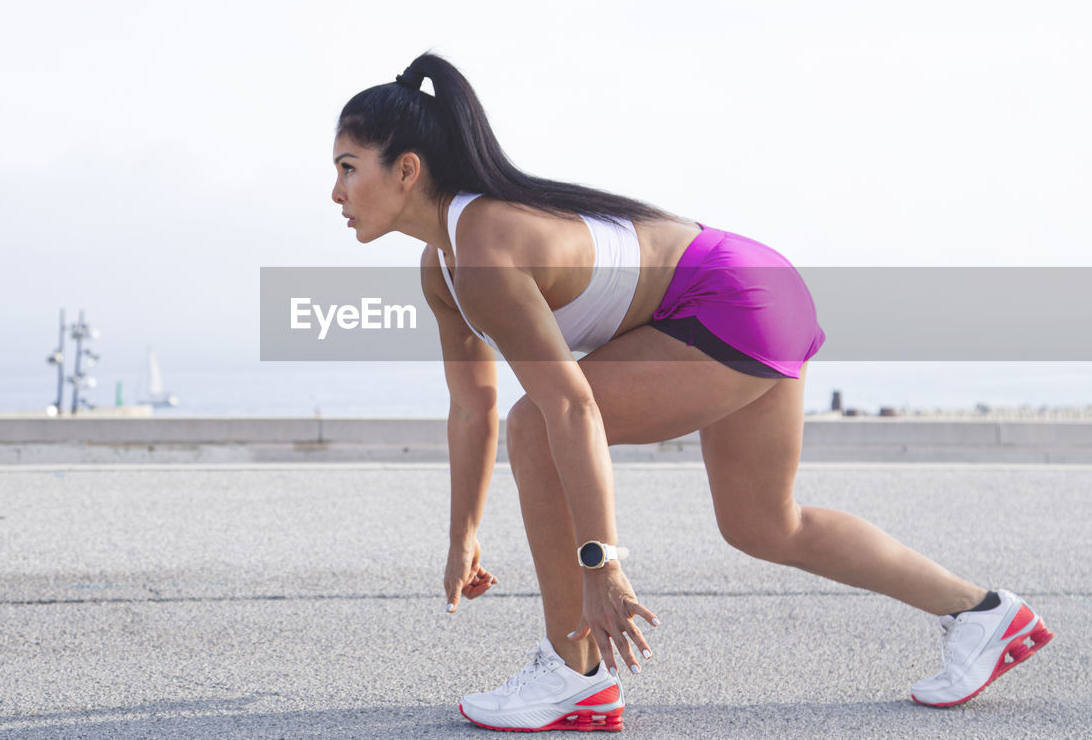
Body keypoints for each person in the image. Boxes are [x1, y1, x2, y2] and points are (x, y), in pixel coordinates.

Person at [330, 53, 1053, 732]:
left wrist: (601, 562)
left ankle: (575, 674)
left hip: (731, 296)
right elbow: (471, 407)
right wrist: (463, 536)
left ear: (406, 170)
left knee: (537, 425)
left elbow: (569, 407)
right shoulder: (444, 268)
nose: (335, 191)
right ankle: (982, 612)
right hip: (756, 285)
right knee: (765, 523)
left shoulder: (485, 246)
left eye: (347, 167)